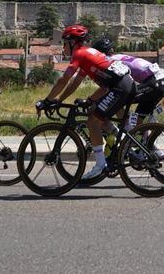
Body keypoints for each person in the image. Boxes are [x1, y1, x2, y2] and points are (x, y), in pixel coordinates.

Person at [40, 25, 134, 180]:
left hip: (119, 87)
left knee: (93, 121)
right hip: (121, 85)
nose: (63, 47)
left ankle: (100, 165)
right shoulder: (88, 54)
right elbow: (74, 83)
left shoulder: (79, 54)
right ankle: (121, 138)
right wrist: (59, 100)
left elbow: (64, 80)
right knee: (94, 112)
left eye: (64, 43)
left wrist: (47, 100)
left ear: (72, 42)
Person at [91, 37, 164, 132]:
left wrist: (93, 100)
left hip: (153, 83)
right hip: (159, 82)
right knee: (138, 124)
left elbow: (113, 86)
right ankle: (147, 144)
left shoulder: (111, 62)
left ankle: (124, 132)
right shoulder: (118, 56)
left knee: (116, 100)